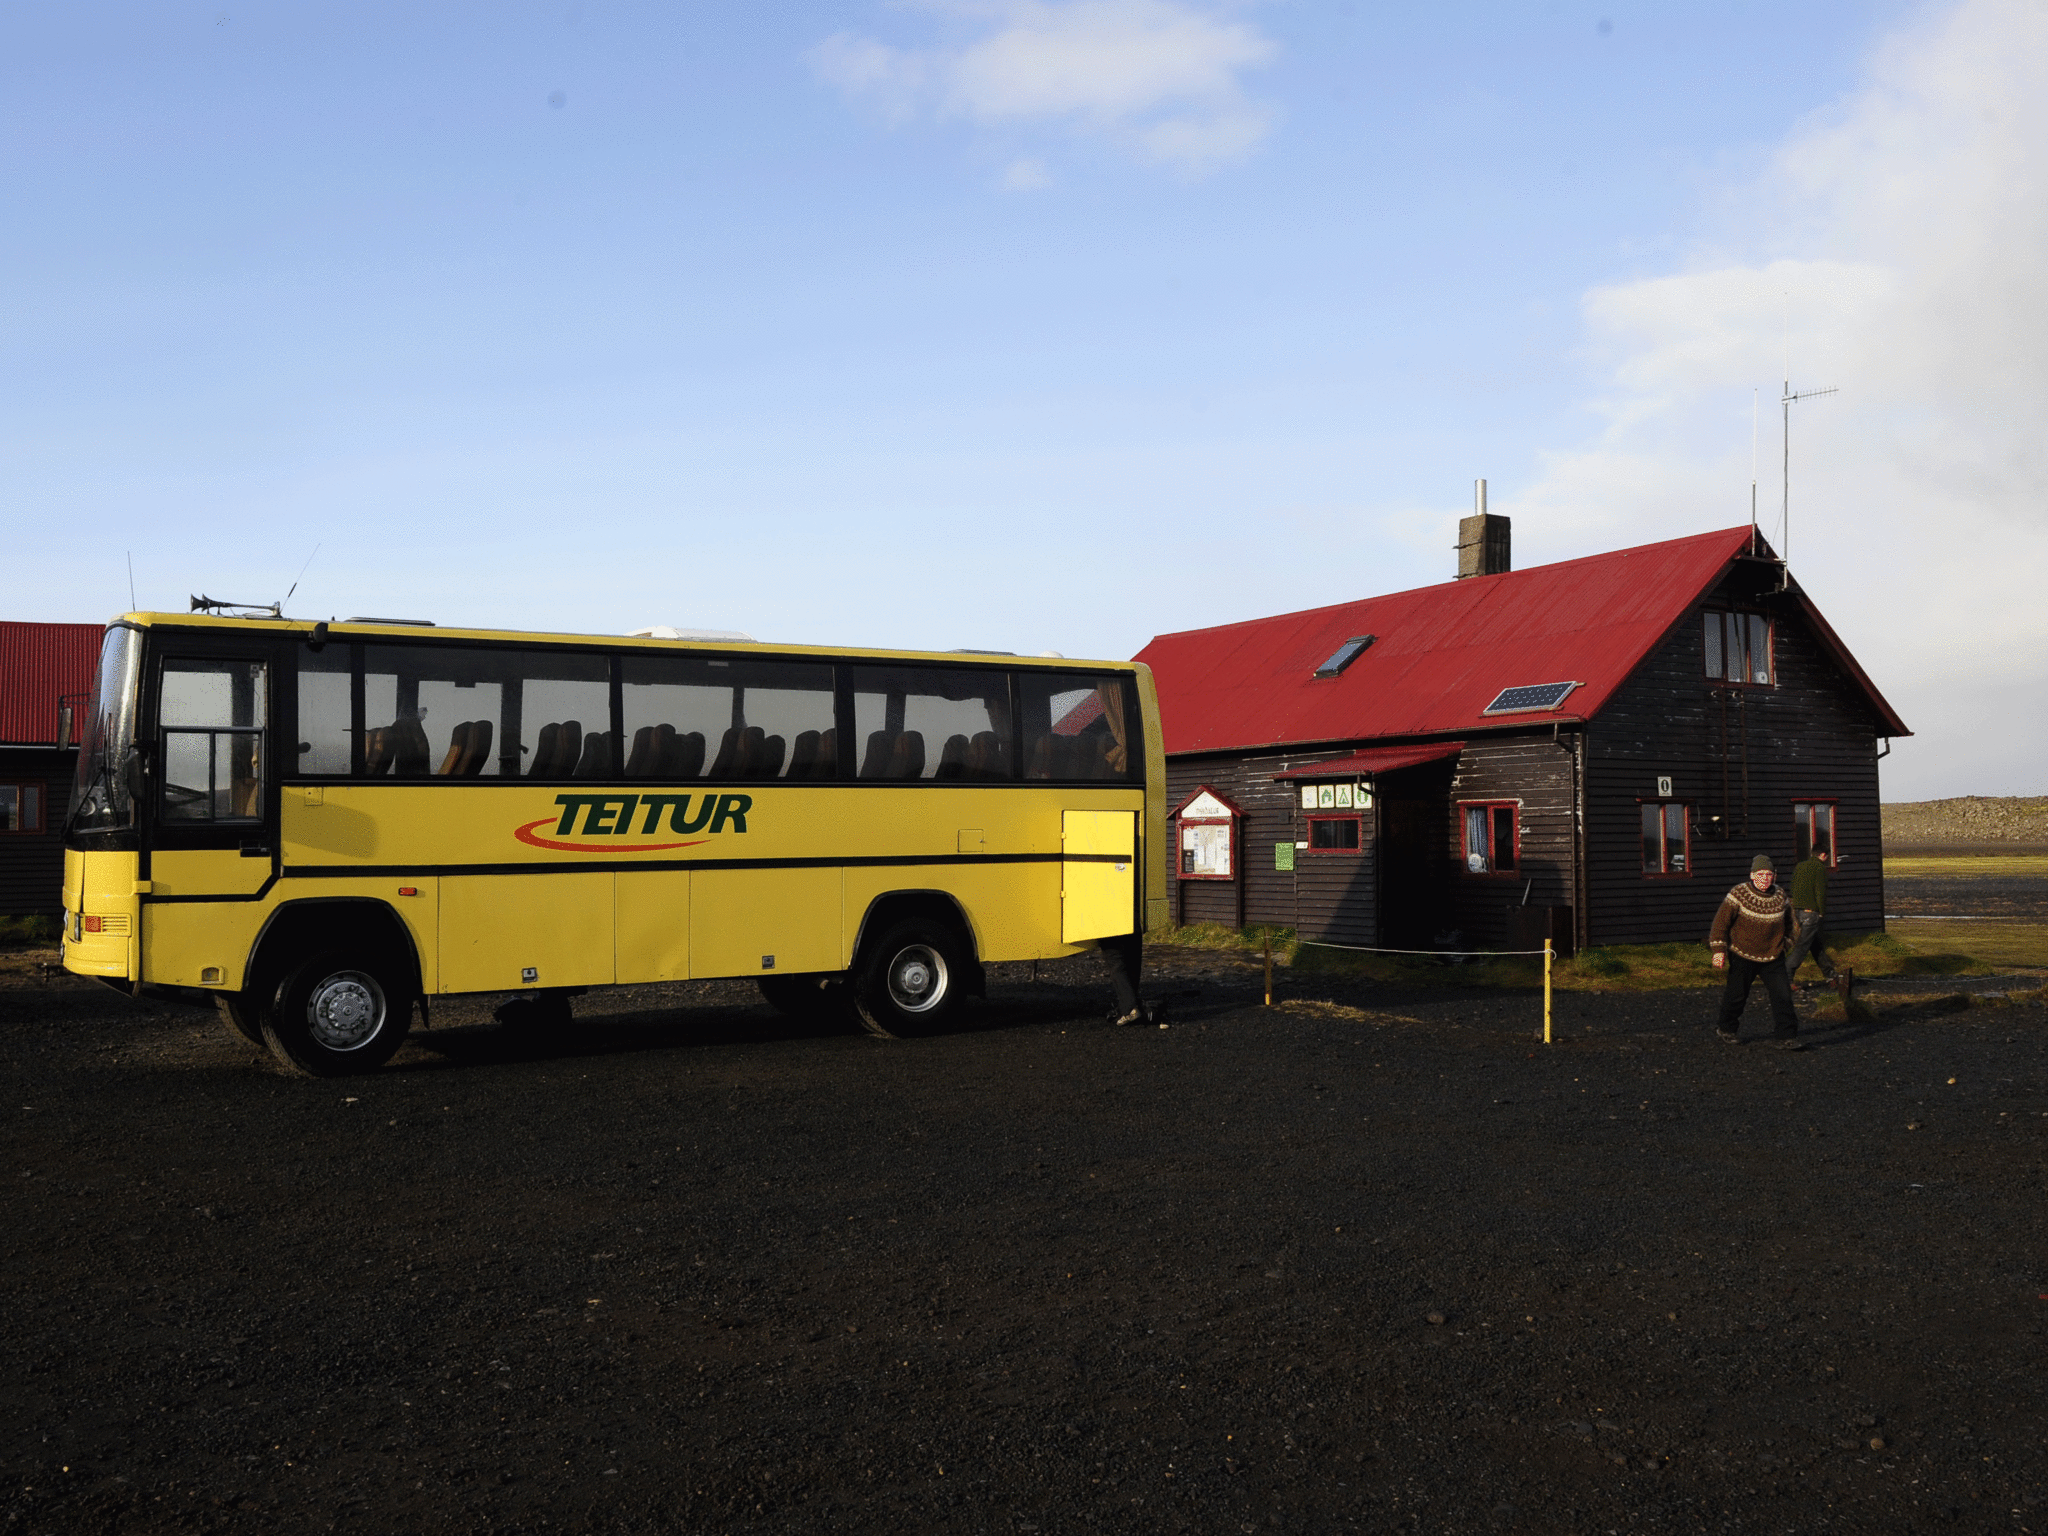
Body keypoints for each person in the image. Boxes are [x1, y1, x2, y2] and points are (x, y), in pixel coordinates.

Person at [1708, 854, 1801, 1049]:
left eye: (1769, 874)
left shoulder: (1780, 896)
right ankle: (1726, 1029)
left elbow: (1792, 925)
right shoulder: (1738, 894)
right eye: (1760, 874)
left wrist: (1786, 943)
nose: (1765, 878)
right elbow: (1721, 923)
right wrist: (1719, 949)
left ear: (1774, 876)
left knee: (1782, 996)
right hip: (1742, 953)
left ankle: (1786, 1037)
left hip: (1773, 956)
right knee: (1736, 995)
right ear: (1752, 875)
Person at [1783, 847, 1838, 988]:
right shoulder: (1819, 868)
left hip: (1798, 910)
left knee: (1815, 945)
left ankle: (1831, 976)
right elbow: (1820, 891)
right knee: (1802, 946)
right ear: (1823, 855)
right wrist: (1821, 912)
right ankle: (1786, 976)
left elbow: (1793, 886)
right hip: (1811, 912)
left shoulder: (1800, 866)